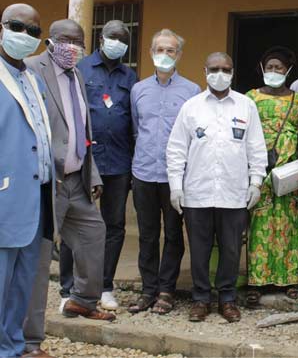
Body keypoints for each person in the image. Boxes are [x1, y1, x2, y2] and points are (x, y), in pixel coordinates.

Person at [166, 52, 267, 323]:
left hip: (234, 193)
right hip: (197, 193)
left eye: (225, 69)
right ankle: (200, 299)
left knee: (231, 249)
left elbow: (256, 148)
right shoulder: (191, 107)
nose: (219, 74)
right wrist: (176, 186)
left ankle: (227, 298)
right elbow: (176, 149)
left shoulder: (246, 106)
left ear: (233, 73)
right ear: (205, 71)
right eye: (214, 69)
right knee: (198, 249)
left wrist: (256, 182)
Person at [26, 19, 114, 322]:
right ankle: (29, 337)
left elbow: (80, 128)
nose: (73, 48)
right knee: (38, 256)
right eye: (67, 40)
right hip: (49, 180)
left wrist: (93, 173)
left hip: (78, 178)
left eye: (79, 42)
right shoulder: (30, 69)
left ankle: (83, 301)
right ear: (51, 40)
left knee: (93, 234)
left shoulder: (76, 74)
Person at [56, 20, 137, 311]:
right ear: (101, 38)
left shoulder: (130, 76)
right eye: (112, 37)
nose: (117, 42)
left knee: (114, 226)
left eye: (123, 39)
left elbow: (132, 120)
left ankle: (104, 286)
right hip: (85, 161)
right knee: (73, 223)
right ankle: (68, 287)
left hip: (118, 162)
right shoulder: (80, 70)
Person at [128, 29, 200, 315]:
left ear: (179, 55)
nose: (165, 55)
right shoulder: (139, 89)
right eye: (160, 49)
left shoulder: (192, 91)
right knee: (147, 234)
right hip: (144, 171)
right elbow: (136, 129)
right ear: (150, 52)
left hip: (176, 176)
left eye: (171, 50)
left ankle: (166, 290)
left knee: (172, 234)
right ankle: (148, 289)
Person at [0, 4, 53, 358]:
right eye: (18, 26)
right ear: (2, 27)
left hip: (37, 195)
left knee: (22, 284)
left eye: (34, 31)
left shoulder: (33, 78)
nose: (26, 35)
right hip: (5, 195)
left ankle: (12, 346)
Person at [245, 46, 298, 305]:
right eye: (270, 67)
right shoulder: (250, 98)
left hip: (289, 174)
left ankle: (290, 279)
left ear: (288, 71)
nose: (274, 72)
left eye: (279, 68)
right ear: (262, 69)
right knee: (259, 226)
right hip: (259, 172)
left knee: (288, 227)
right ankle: (257, 282)